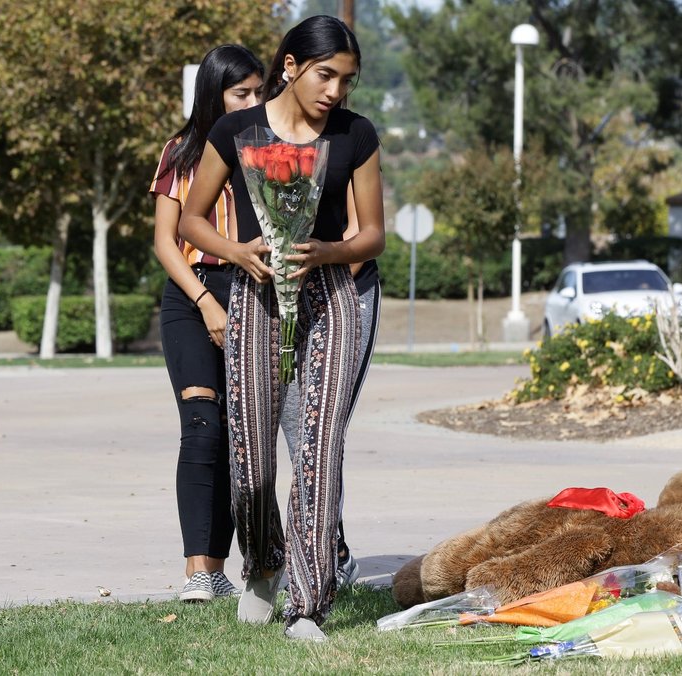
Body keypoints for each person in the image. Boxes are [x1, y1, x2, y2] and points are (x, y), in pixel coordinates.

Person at [178, 15, 385, 641]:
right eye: (326, 75)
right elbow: (191, 221)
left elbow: (374, 233)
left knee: (321, 447)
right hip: (256, 294)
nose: (335, 92)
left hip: (332, 296)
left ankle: (307, 603)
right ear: (290, 66)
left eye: (346, 81)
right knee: (253, 458)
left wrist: (329, 251)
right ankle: (263, 567)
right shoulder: (233, 129)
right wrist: (237, 252)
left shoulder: (356, 134)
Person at [149, 44, 266, 603]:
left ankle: (270, 561)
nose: (252, 101)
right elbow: (165, 242)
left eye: (258, 91)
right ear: (213, 94)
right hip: (192, 295)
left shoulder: (269, 149)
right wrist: (204, 302)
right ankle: (203, 572)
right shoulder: (182, 150)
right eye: (240, 92)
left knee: (250, 437)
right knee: (202, 425)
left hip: (256, 293)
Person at [278, 187, 381, 590]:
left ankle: (321, 558)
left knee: (321, 431)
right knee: (294, 432)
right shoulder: (262, 140)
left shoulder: (349, 136)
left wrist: (320, 285)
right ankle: (331, 548)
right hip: (282, 298)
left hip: (345, 288)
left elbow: (362, 229)